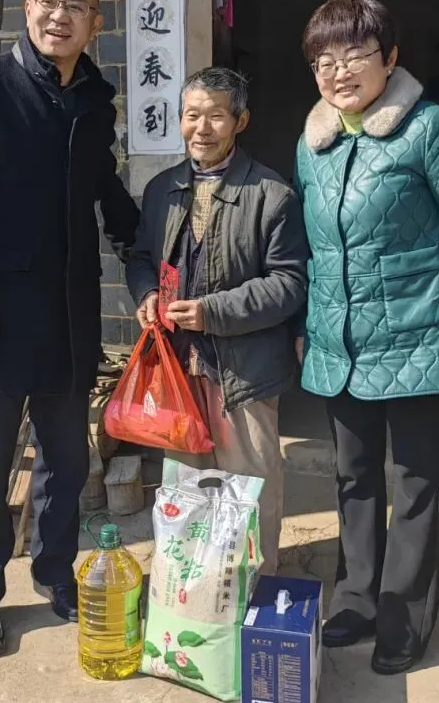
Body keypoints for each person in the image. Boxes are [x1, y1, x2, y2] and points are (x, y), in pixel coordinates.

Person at [0, 0, 140, 659]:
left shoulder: (94, 99)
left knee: (66, 465)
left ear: (95, 23)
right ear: (26, 10)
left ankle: (56, 575)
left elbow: (105, 188)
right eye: (48, 1)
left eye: (76, 5)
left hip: (69, 319)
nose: (60, 15)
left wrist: (146, 250)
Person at [294, 0, 439, 674]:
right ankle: (355, 598)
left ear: (389, 57)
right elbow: (313, 250)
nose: (339, 71)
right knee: (353, 477)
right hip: (341, 344)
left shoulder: (431, 129)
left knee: (416, 483)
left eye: (355, 54)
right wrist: (308, 327)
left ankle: (403, 618)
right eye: (324, 60)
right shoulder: (313, 145)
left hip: (420, 333)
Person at [126, 67, 308, 576]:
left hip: (244, 371)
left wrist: (212, 312)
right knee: (187, 488)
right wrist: (146, 294)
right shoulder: (162, 189)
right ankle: (195, 590)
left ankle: (254, 587)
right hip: (179, 368)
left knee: (249, 488)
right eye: (191, 115)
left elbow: (289, 283)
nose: (201, 128)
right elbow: (140, 257)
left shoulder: (271, 194)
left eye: (216, 116)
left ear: (240, 121)